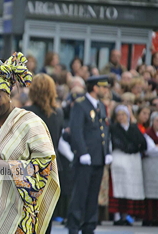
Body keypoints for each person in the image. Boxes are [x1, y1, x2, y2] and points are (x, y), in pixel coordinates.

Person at [0, 52, 60, 234]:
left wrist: (7, 166)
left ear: (8, 91)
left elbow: (45, 167)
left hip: (17, 217)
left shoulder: (30, 123)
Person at [66, 75, 112, 234]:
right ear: (95, 87)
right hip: (85, 158)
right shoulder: (81, 105)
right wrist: (83, 152)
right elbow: (76, 130)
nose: (106, 90)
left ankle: (89, 226)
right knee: (80, 194)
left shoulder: (101, 105)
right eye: (103, 87)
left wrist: (107, 151)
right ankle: (73, 226)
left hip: (98, 157)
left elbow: (105, 130)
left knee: (93, 195)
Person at [23, 73, 64, 233]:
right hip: (53, 165)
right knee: (47, 214)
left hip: (31, 167)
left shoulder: (26, 112)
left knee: (28, 214)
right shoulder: (58, 113)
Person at [109, 105, 147, 225]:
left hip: (132, 161)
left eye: (123, 114)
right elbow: (117, 142)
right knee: (118, 188)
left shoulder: (133, 127)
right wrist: (129, 148)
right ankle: (118, 216)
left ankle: (128, 215)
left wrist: (133, 148)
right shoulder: (113, 128)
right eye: (118, 115)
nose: (121, 117)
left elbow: (142, 142)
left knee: (130, 187)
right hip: (120, 158)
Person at [142, 111, 158, 226]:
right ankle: (149, 217)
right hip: (150, 166)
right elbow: (150, 149)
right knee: (150, 192)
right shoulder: (148, 133)